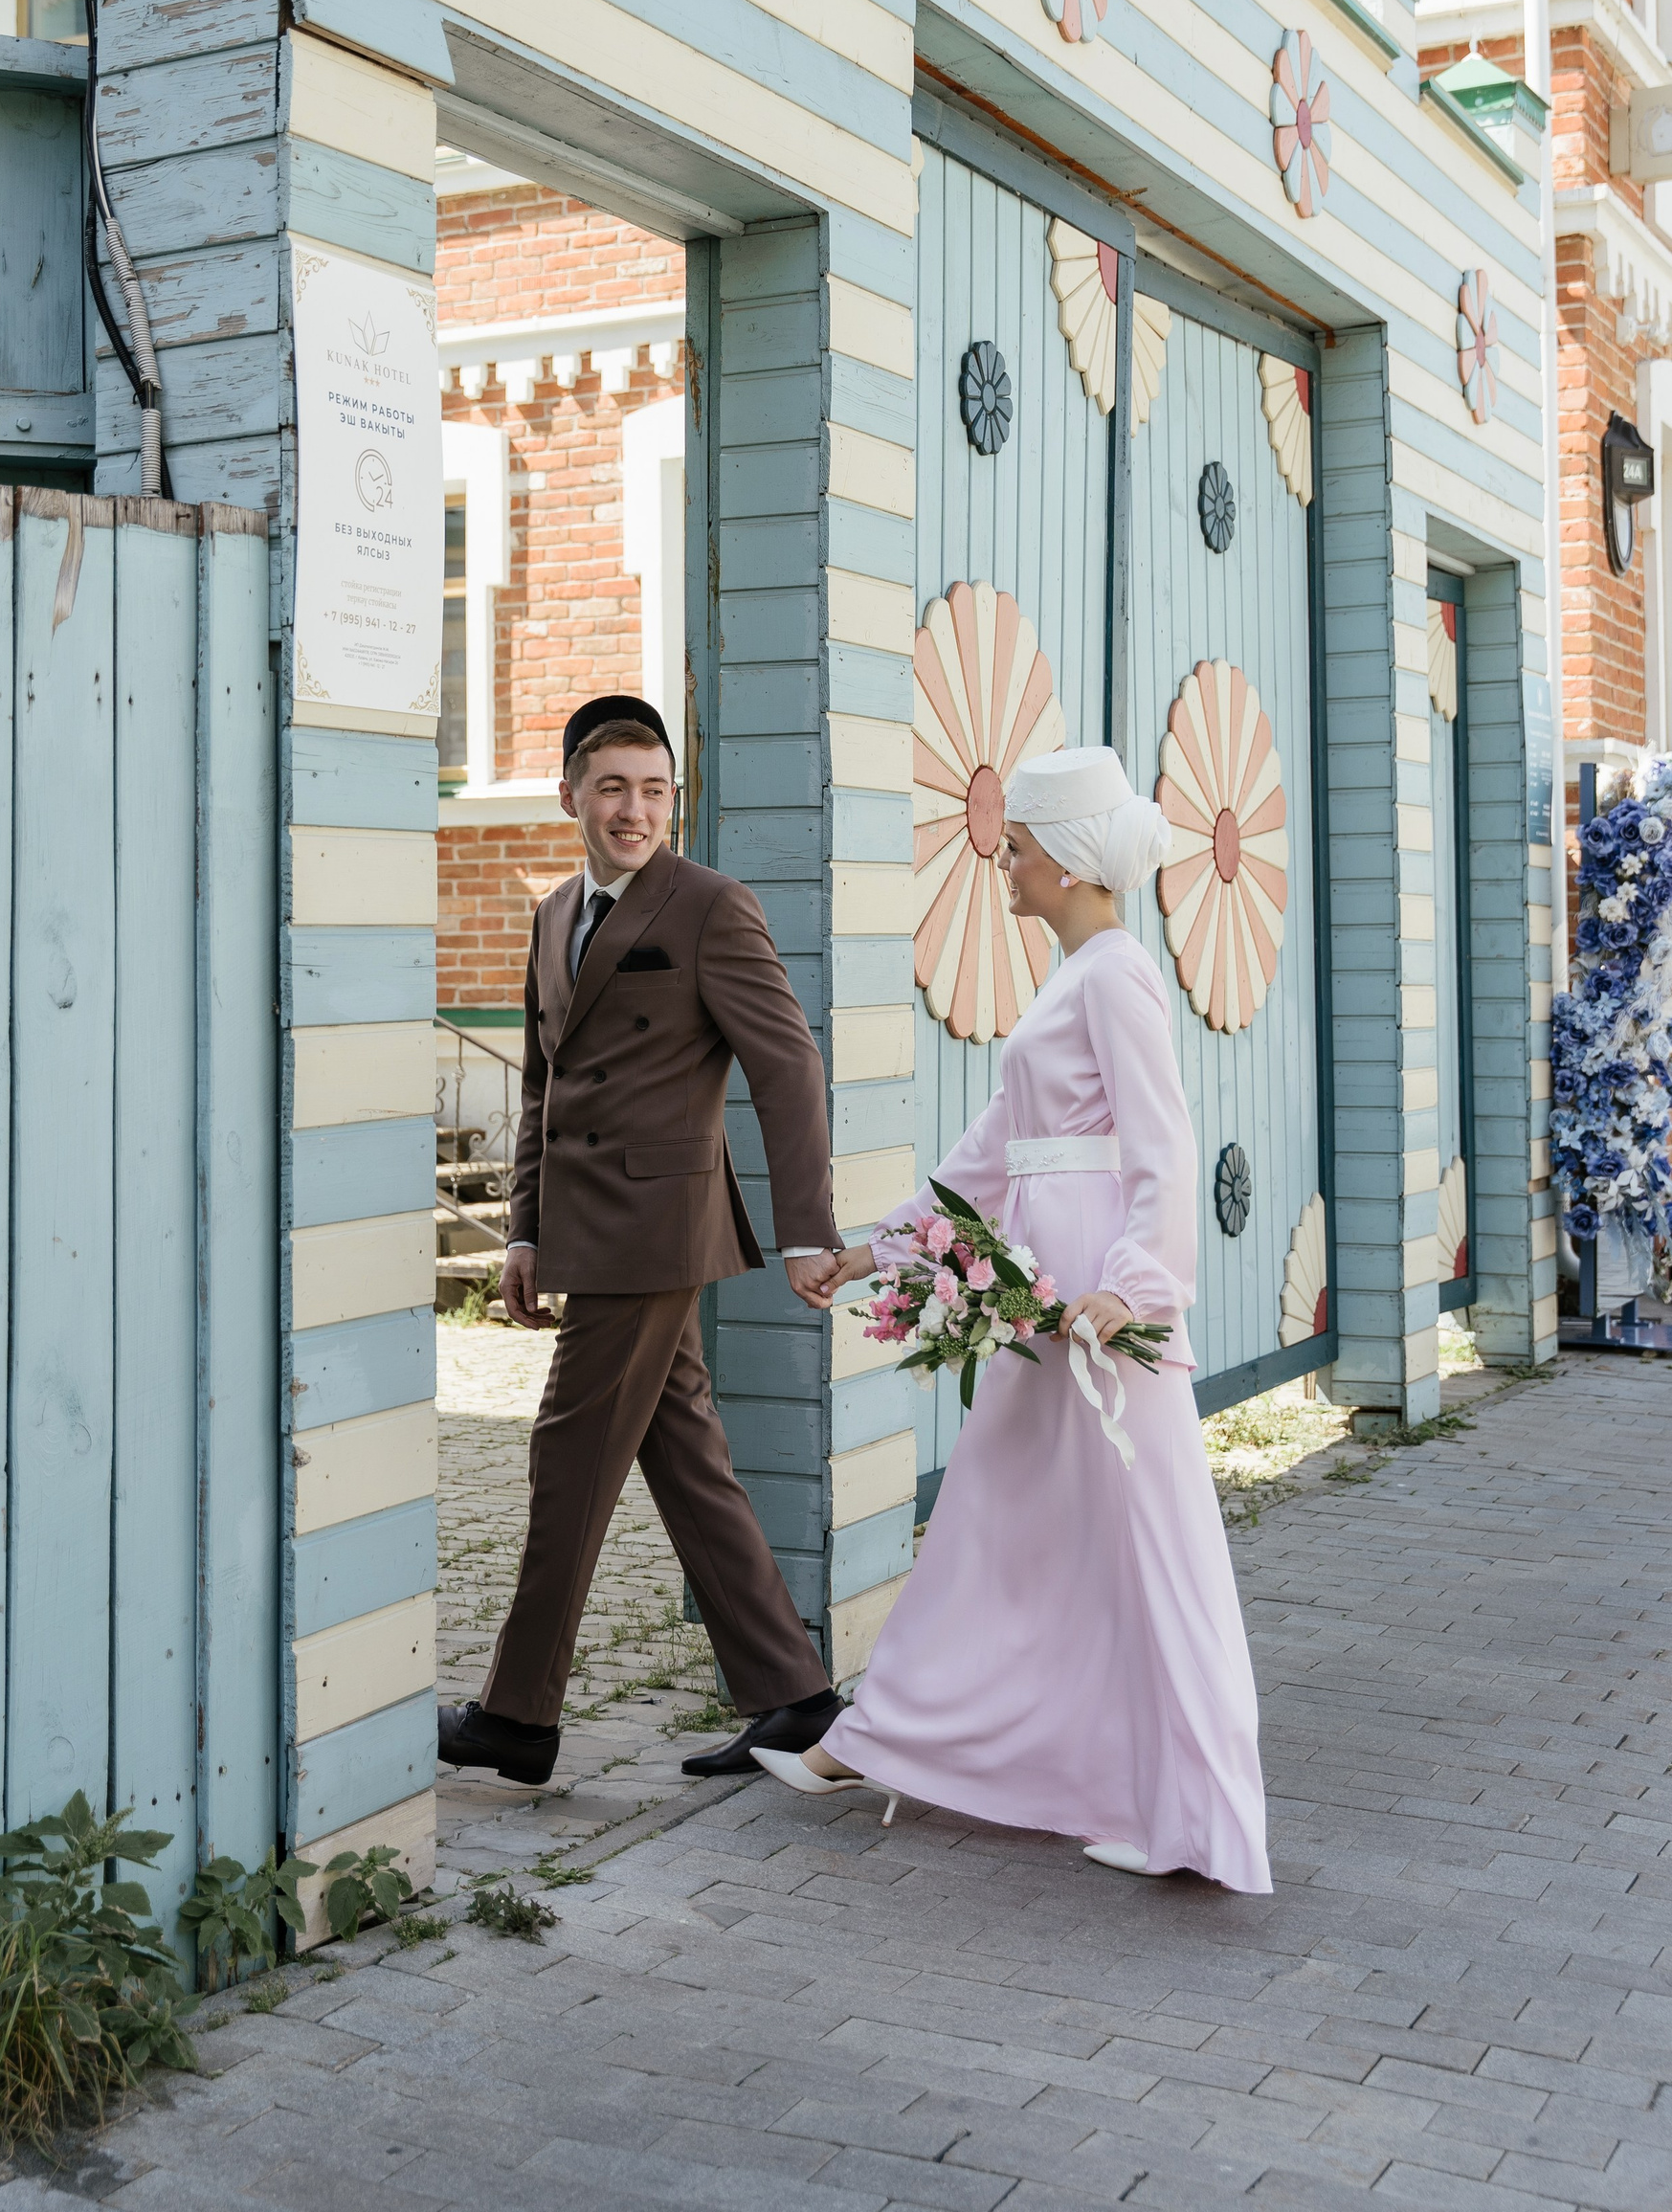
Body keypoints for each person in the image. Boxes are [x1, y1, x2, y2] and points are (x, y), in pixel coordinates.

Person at [751, 746, 1272, 1894]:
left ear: (1072, 862)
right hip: (1045, 1296)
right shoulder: (1074, 976)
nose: (1005, 862)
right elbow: (990, 1155)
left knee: (1146, 1541)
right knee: (1010, 1527)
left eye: (1021, 846)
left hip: (1094, 1309)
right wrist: (871, 1251)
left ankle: (1194, 1816)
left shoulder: (1118, 974)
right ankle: (896, 1740)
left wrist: (1133, 1288)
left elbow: (1163, 1147)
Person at [436, 694, 847, 1787]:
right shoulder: (550, 913)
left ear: (676, 799)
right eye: (613, 788)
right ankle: (797, 1699)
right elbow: (546, 1086)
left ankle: (518, 1716)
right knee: (687, 1459)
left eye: (656, 791)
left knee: (567, 1459)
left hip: (659, 1229)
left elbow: (788, 1065)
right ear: (570, 794)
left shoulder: (710, 906)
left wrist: (807, 1232)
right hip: (586, 1230)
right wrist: (524, 1230)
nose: (635, 811)